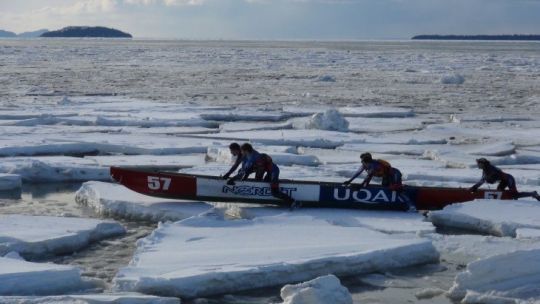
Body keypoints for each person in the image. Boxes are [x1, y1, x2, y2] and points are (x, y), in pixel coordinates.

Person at [227, 143, 300, 209]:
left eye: (242, 151)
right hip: (268, 171)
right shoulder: (249, 155)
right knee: (264, 183)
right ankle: (278, 182)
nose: (241, 153)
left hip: (273, 172)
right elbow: (245, 170)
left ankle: (293, 202)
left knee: (274, 192)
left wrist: (232, 179)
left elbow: (244, 171)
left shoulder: (253, 157)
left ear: (246, 151)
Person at [469, 158, 540, 200]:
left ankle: (533, 194)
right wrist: (475, 187)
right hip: (504, 181)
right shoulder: (486, 169)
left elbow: (484, 180)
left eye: (479, 163)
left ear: (483, 164)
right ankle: (510, 195)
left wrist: (474, 187)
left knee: (515, 195)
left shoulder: (490, 168)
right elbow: (484, 179)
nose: (478, 165)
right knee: (499, 192)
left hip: (509, 179)